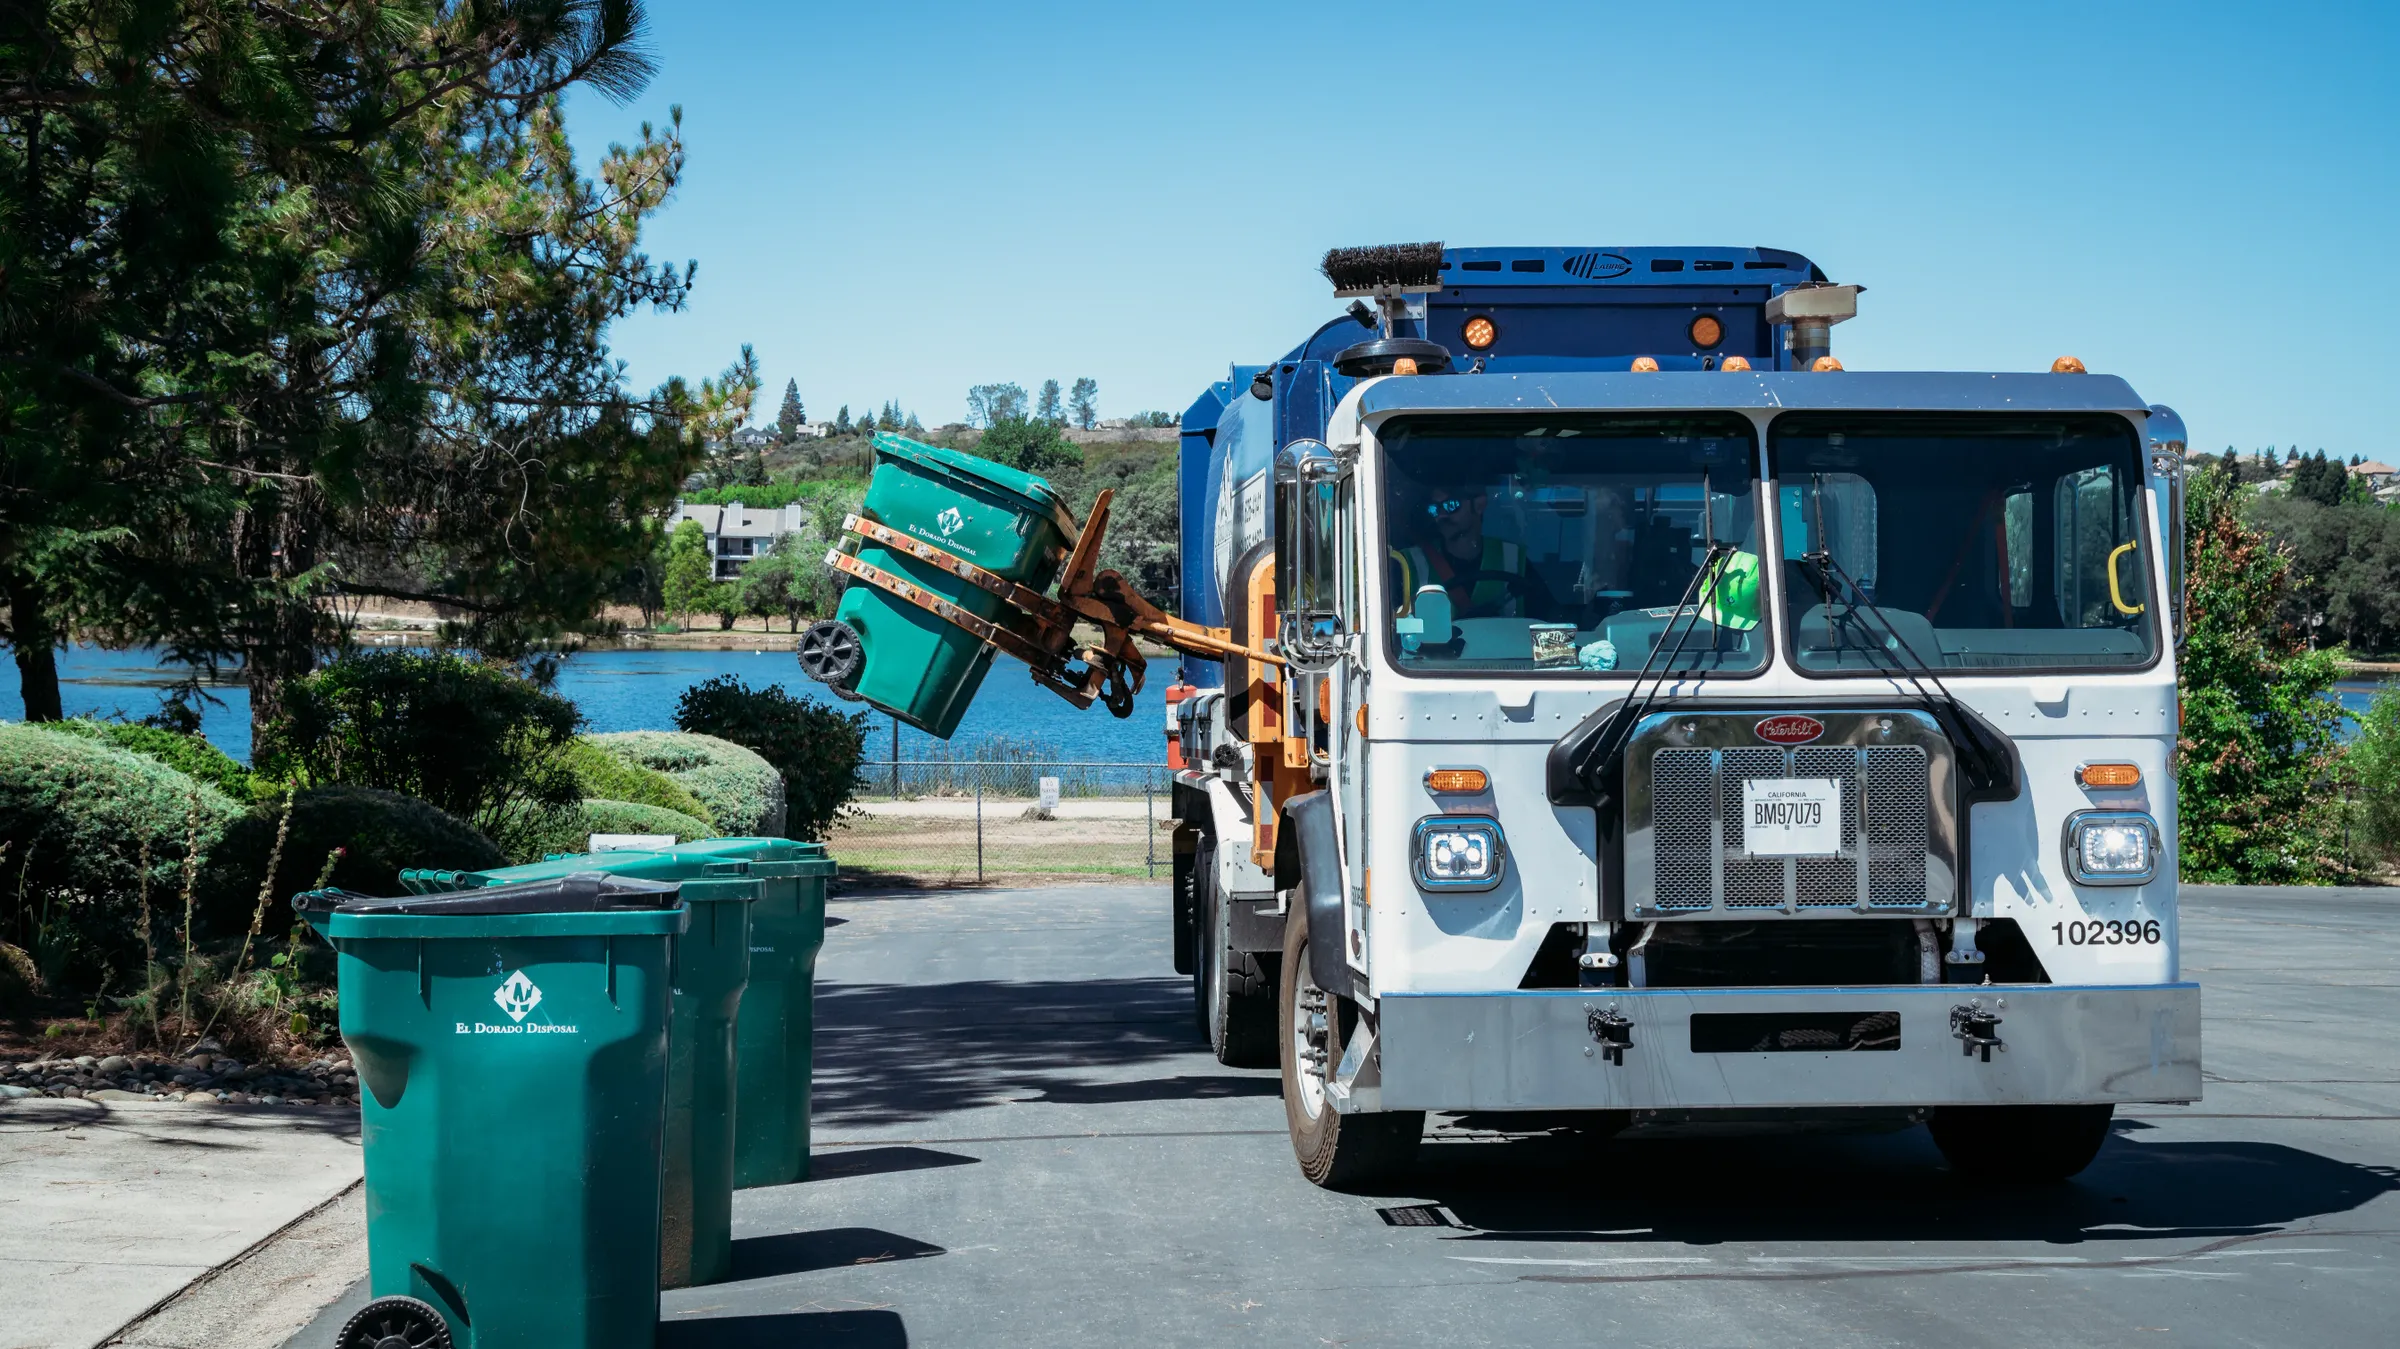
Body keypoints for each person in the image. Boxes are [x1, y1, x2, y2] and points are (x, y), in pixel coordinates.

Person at [1389, 480, 1552, 619]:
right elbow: (1389, 627)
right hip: (1435, 656)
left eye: (1451, 505)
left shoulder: (1515, 558)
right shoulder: (1409, 562)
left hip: (1510, 655)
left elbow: (1549, 620)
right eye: (1434, 509)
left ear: (1480, 505)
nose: (1441, 516)